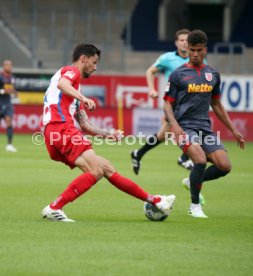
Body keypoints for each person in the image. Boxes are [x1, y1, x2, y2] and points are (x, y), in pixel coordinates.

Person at [40, 43, 176, 222]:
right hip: (60, 126)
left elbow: (85, 125)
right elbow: (62, 83)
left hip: (54, 132)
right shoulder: (70, 72)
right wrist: (83, 98)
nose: (95, 68)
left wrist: (108, 134)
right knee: (95, 170)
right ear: (83, 59)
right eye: (94, 62)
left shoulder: (75, 89)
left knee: (106, 168)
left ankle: (155, 200)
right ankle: (54, 208)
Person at [163, 30, 244, 218]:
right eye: (192, 50)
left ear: (205, 50)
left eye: (199, 50)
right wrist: (174, 125)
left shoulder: (213, 75)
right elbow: (167, 103)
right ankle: (195, 206)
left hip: (204, 128)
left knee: (224, 166)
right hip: (184, 128)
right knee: (199, 160)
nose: (195, 54)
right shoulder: (178, 74)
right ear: (188, 49)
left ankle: (191, 180)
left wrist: (233, 129)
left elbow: (216, 104)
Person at [131, 29, 193, 175]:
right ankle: (184, 158)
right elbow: (150, 71)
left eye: (187, 40)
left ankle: (138, 154)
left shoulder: (196, 58)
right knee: (195, 128)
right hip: (173, 103)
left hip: (190, 103)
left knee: (162, 136)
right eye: (182, 40)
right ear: (176, 43)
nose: (185, 43)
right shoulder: (167, 58)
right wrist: (151, 90)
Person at [0, 60, 17, 152]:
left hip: (7, 103)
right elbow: (3, 90)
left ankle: (9, 145)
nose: (9, 67)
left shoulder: (12, 78)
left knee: (9, 121)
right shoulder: (0, 77)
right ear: (3, 66)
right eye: (7, 65)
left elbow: (14, 91)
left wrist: (14, 93)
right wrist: (3, 91)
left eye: (10, 65)